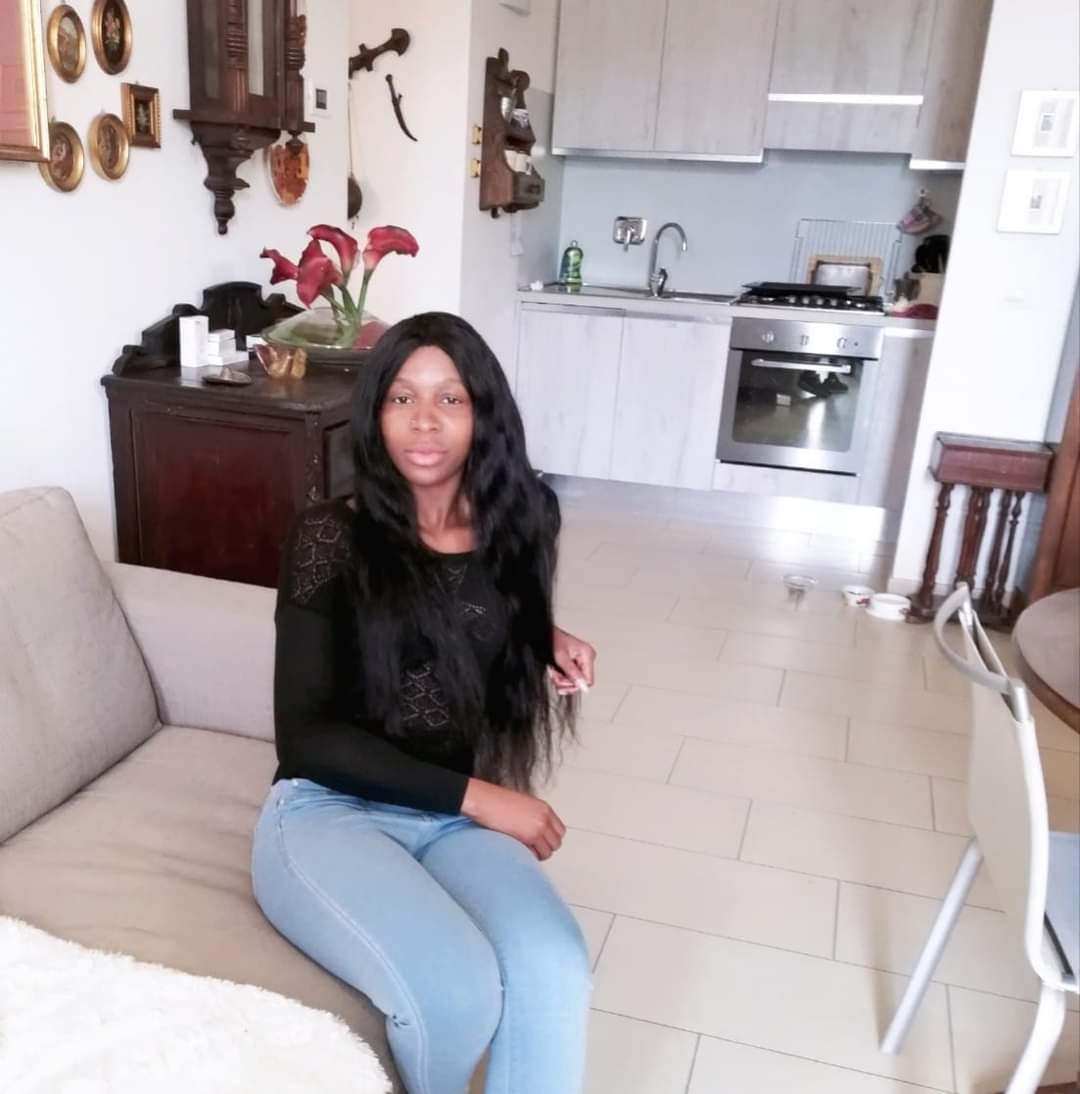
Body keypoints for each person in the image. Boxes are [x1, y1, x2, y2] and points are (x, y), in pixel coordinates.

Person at [251, 312, 597, 1094]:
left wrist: (542, 637)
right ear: (375, 414)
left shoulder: (525, 517)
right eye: (402, 398)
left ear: (483, 413)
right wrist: (486, 799)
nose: (425, 422)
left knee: (556, 965)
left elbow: (483, 604)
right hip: (327, 810)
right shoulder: (328, 536)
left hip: (446, 823)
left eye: (450, 398)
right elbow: (305, 739)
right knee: (456, 991)